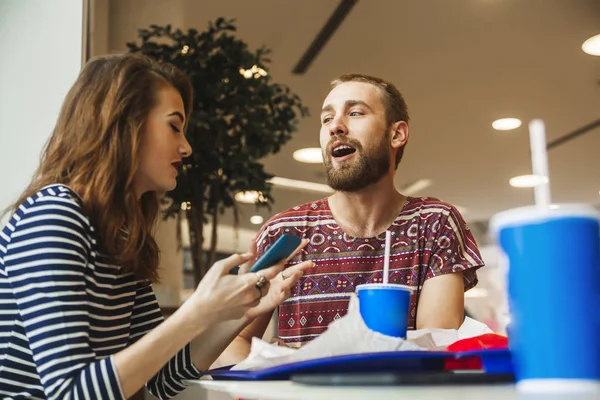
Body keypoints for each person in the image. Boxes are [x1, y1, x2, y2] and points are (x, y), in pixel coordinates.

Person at [0, 53, 313, 400]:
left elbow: (163, 378)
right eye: (174, 126)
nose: (186, 146)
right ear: (124, 123)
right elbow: (72, 392)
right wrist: (197, 312)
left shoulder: (119, 234)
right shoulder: (55, 214)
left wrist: (239, 314)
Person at [220, 73, 484, 360]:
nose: (335, 126)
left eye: (355, 112)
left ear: (396, 134)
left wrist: (308, 358)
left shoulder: (435, 223)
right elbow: (234, 341)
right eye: (326, 119)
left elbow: (435, 348)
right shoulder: (284, 232)